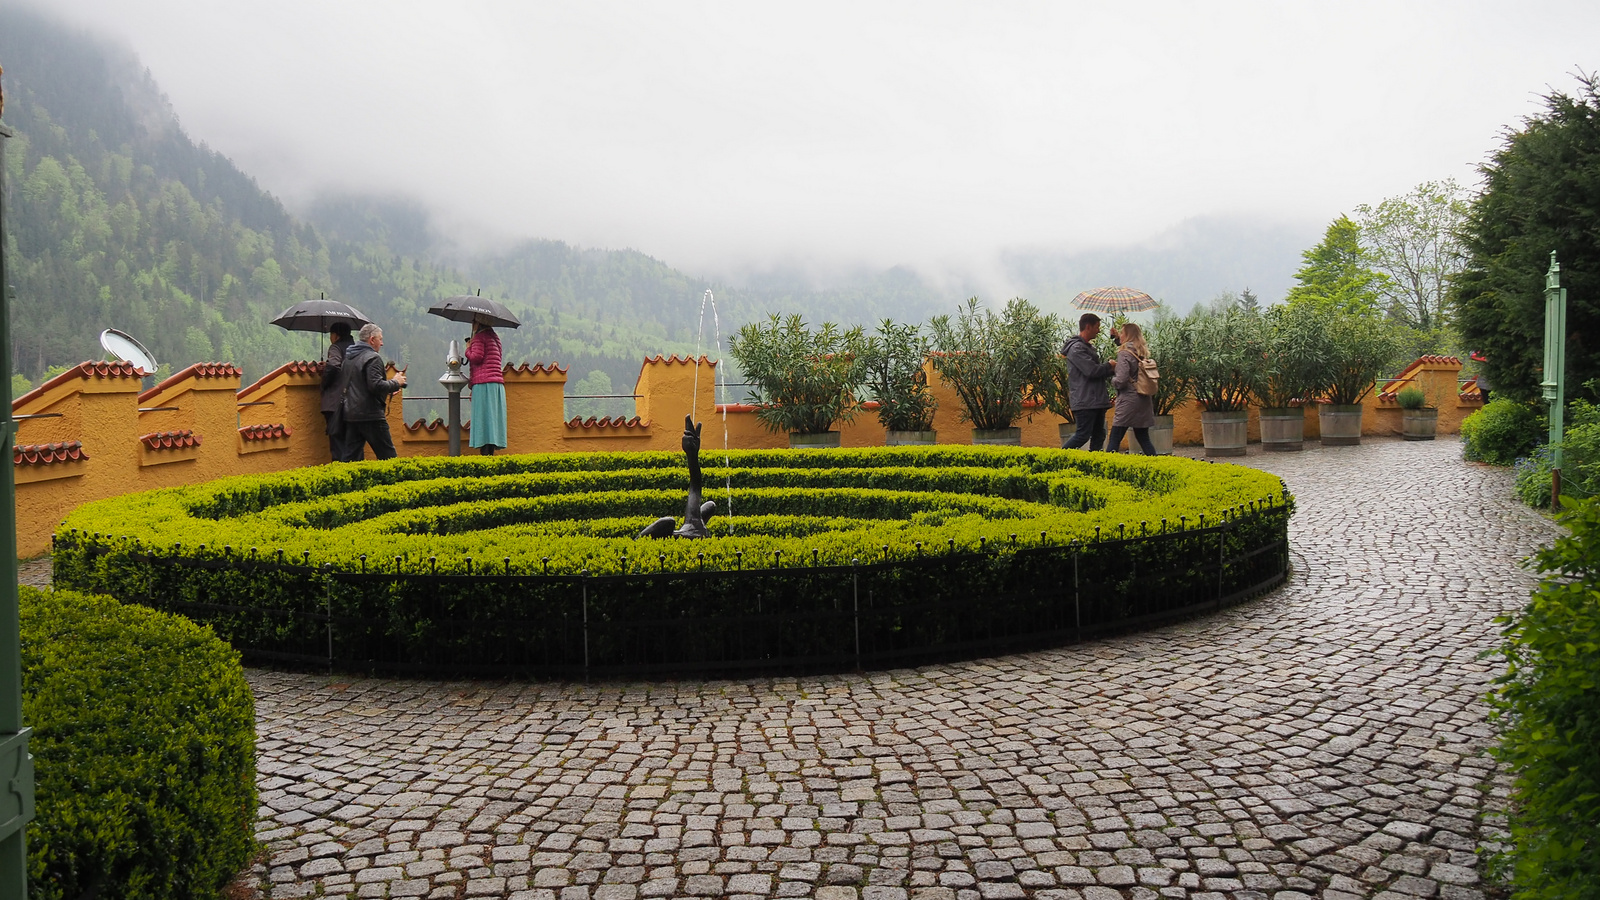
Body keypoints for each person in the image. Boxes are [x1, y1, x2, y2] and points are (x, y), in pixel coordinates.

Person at [337, 323, 407, 461]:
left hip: (351, 413)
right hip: (371, 415)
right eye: (380, 339)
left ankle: (346, 482)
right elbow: (375, 385)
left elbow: (359, 385)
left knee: (350, 459)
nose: (382, 343)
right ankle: (397, 482)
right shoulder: (373, 358)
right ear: (371, 339)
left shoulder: (349, 358)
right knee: (388, 457)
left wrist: (387, 390)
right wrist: (395, 382)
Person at [1060, 313, 1116, 450]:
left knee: (1099, 435)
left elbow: (1097, 371)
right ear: (1088, 326)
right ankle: (1059, 457)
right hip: (1085, 400)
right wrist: (1109, 365)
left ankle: (1093, 463)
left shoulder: (1088, 348)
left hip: (1095, 400)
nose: (1099, 330)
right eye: (1097, 327)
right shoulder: (1076, 349)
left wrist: (1112, 368)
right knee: (1083, 435)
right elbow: (1091, 371)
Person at [1106, 322, 1158, 455]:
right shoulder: (1140, 351)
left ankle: (1107, 466)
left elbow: (1121, 380)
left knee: (1115, 438)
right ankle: (1157, 464)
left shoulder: (1124, 354)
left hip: (1128, 401)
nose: (1121, 335)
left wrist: (1113, 378)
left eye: (1122, 333)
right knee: (1143, 437)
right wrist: (1116, 338)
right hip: (1143, 399)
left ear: (1128, 335)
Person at [465, 319, 507, 455]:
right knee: (492, 420)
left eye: (473, 322)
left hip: (483, 384)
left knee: (483, 420)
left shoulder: (479, 337)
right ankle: (490, 453)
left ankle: (484, 455)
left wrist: (468, 349)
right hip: (496, 384)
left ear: (478, 323)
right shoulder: (495, 338)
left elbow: (476, 357)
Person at [319, 321, 354, 461]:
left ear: (336, 335)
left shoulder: (336, 348)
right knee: (351, 443)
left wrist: (324, 383)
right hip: (354, 403)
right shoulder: (356, 349)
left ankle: (339, 474)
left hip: (335, 404)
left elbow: (334, 365)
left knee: (337, 443)